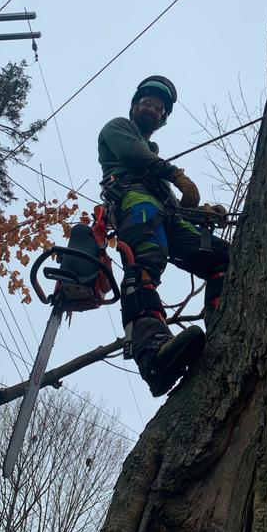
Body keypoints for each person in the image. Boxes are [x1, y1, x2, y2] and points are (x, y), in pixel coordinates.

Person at [98, 76, 229, 396]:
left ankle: (226, 324)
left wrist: (203, 214)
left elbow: (173, 206)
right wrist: (177, 175)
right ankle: (151, 353)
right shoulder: (118, 129)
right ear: (133, 107)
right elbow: (132, 155)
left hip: (164, 214)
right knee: (146, 262)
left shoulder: (154, 163)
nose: (152, 108)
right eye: (147, 103)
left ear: (164, 118)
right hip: (134, 204)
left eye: (159, 107)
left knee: (222, 255)